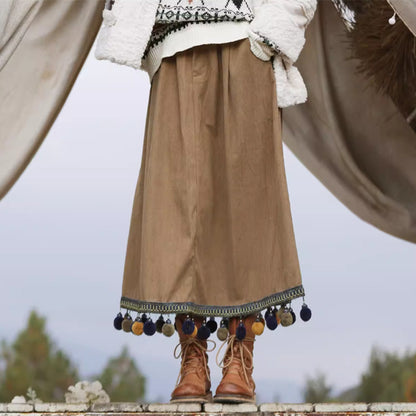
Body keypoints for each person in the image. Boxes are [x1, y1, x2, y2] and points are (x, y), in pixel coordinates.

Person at [95, 0, 317, 404]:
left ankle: (239, 359)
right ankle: (193, 361)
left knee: (248, 201)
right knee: (177, 205)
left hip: (246, 37)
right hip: (173, 43)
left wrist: (268, 36)